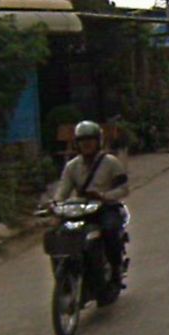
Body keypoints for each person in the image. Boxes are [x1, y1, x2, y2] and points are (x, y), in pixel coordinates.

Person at [54, 120, 129, 284]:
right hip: (82, 209)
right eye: (82, 140)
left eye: (90, 139)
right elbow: (62, 191)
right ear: (77, 143)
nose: (86, 144)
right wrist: (55, 206)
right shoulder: (71, 166)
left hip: (106, 208)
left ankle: (115, 268)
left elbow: (123, 189)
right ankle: (64, 275)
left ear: (98, 141)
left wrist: (104, 196)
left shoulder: (111, 162)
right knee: (59, 234)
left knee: (110, 230)